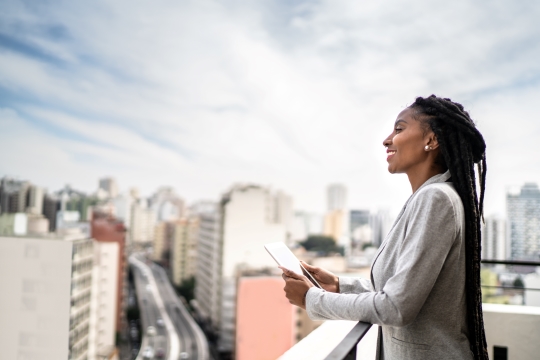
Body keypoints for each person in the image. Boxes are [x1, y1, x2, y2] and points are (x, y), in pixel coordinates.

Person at [281, 95, 489, 360]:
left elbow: (396, 307)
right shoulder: (427, 197)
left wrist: (312, 300)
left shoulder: (435, 199)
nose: (387, 139)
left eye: (399, 129)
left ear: (431, 140)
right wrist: (338, 285)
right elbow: (402, 289)